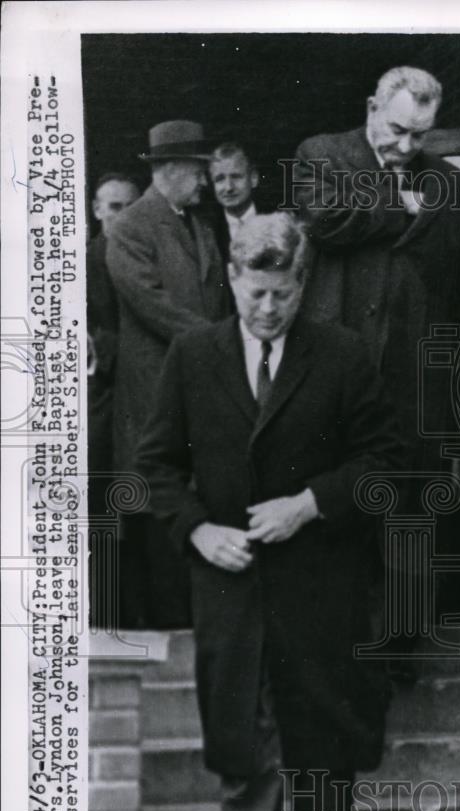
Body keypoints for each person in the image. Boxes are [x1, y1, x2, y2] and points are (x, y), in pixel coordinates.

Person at [136, 213, 405, 811]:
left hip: (321, 595)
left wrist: (311, 504)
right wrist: (198, 530)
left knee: (322, 754)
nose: (268, 309)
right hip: (233, 594)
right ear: (232, 279)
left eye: (283, 294)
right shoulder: (193, 355)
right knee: (245, 760)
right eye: (256, 293)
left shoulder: (344, 355)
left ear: (302, 283)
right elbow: (155, 468)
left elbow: (386, 464)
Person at [290, 66, 460, 658]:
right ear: (373, 106)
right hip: (334, 372)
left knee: (408, 517)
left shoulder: (452, 186)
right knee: (333, 504)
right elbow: (324, 218)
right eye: (397, 130)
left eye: (419, 137)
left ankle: (399, 651)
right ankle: (333, 646)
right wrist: (402, 208)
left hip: (417, 382)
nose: (405, 147)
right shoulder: (321, 155)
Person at [106, 120, 231, 628]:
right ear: (173, 169)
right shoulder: (131, 228)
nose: (207, 182)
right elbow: (152, 305)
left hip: (199, 392)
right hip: (156, 397)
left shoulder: (198, 224)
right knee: (158, 523)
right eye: (200, 171)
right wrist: (220, 342)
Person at [86, 172, 140, 627]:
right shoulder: (88, 262)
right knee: (107, 500)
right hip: (106, 395)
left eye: (130, 206)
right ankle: (106, 610)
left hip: (142, 398)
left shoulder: (144, 255)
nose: (122, 217)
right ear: (97, 211)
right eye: (114, 207)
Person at [207, 142, 262, 263]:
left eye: (236, 177)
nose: (228, 187)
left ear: (253, 178)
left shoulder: (275, 221)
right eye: (219, 179)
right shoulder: (208, 233)